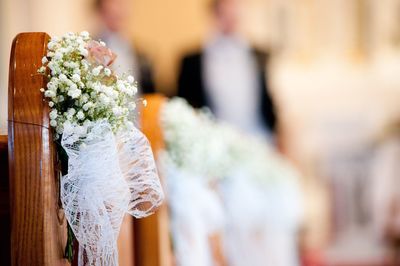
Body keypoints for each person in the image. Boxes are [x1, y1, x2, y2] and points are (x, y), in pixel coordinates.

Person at [177, 0, 276, 140]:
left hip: (259, 139)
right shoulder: (192, 61)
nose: (230, 19)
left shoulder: (260, 55)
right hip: (214, 143)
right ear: (213, 14)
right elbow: (186, 107)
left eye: (234, 13)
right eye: (225, 13)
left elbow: (268, 101)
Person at [95, 0, 155, 94]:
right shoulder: (93, 47)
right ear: (101, 10)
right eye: (114, 4)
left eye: (122, 4)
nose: (119, 11)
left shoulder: (138, 49)